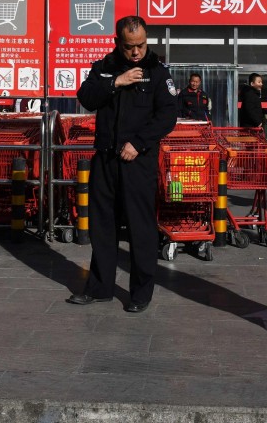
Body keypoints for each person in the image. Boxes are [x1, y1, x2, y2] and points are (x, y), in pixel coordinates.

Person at [68, 16, 177, 313]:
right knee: (102, 226)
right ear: (118, 43)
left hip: (137, 161)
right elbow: (86, 98)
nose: (136, 52)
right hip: (105, 157)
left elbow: (167, 115)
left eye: (141, 45)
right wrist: (116, 82)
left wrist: (139, 143)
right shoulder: (104, 68)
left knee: (141, 228)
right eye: (130, 47)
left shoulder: (157, 72)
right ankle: (100, 287)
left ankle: (141, 293)